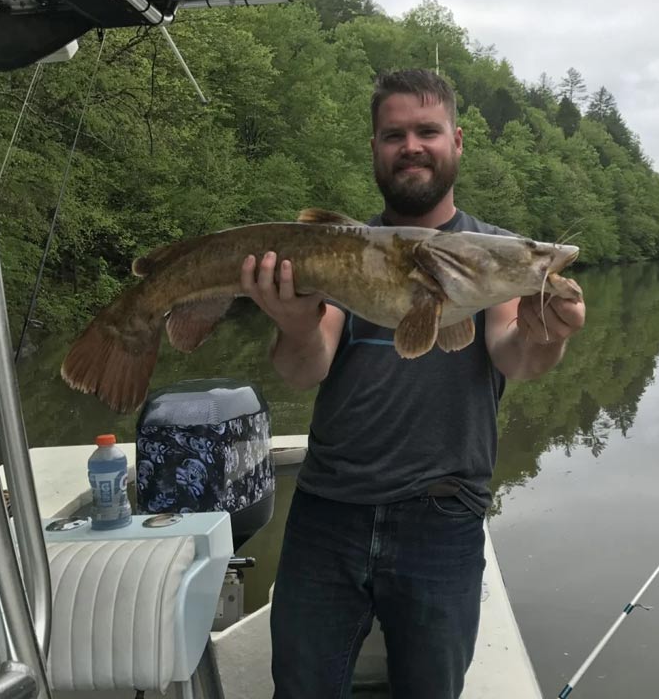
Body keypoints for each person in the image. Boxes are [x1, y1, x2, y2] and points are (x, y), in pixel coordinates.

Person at [239, 69, 586, 699]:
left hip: (443, 517)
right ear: (374, 148)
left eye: (427, 131)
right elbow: (304, 366)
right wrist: (294, 323)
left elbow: (516, 356)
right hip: (328, 513)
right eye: (393, 134)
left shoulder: (494, 253)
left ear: (457, 141)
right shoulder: (348, 249)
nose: (411, 145)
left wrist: (550, 335)